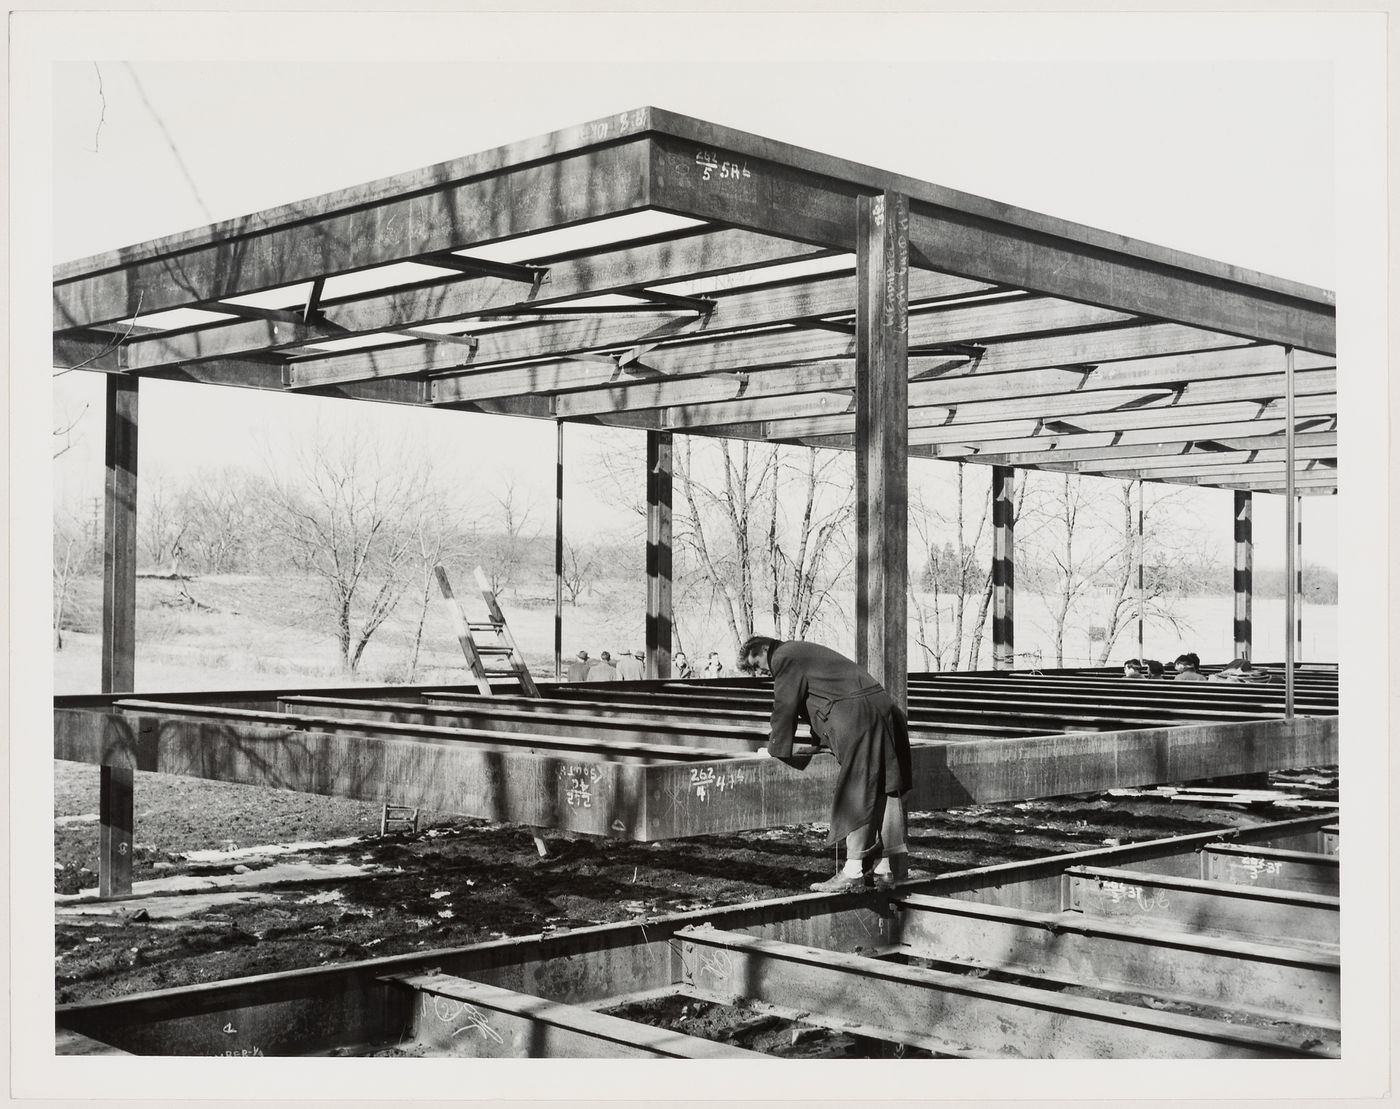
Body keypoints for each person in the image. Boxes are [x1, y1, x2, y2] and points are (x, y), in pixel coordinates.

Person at [738, 635, 913, 892]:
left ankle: (852, 871)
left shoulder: (783, 657)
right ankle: (885, 869)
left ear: (764, 648)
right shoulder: (802, 652)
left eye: (756, 664)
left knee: (858, 788)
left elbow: (786, 705)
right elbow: (823, 698)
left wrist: (776, 750)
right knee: (886, 785)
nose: (759, 671)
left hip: (858, 717)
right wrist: (819, 743)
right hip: (882, 709)